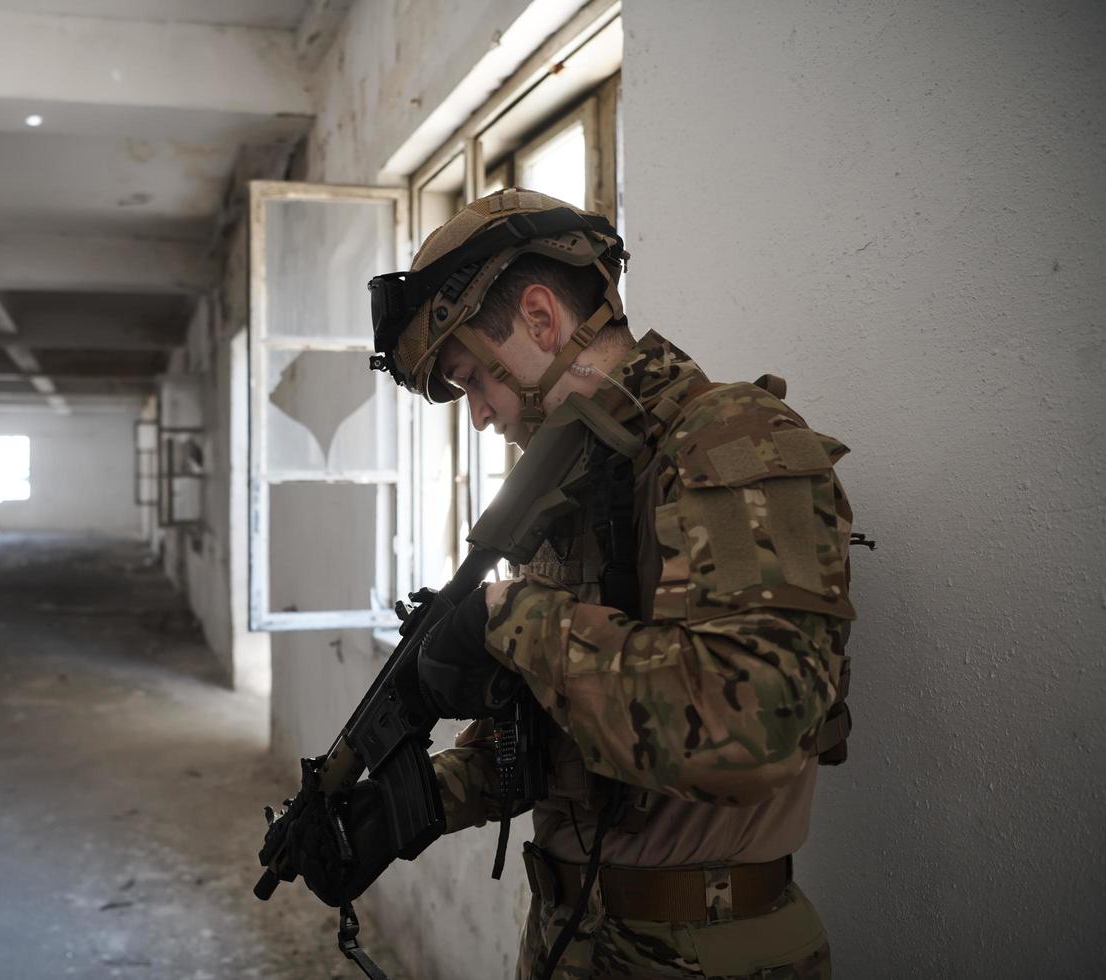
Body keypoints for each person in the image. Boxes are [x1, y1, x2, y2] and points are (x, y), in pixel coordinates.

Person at [290, 188, 856, 980]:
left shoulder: (732, 443)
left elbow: (754, 726)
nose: (481, 416)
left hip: (710, 955)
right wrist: (406, 806)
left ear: (541, 318)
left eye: (472, 381)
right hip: (573, 941)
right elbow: (568, 734)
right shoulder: (580, 485)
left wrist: (510, 619)